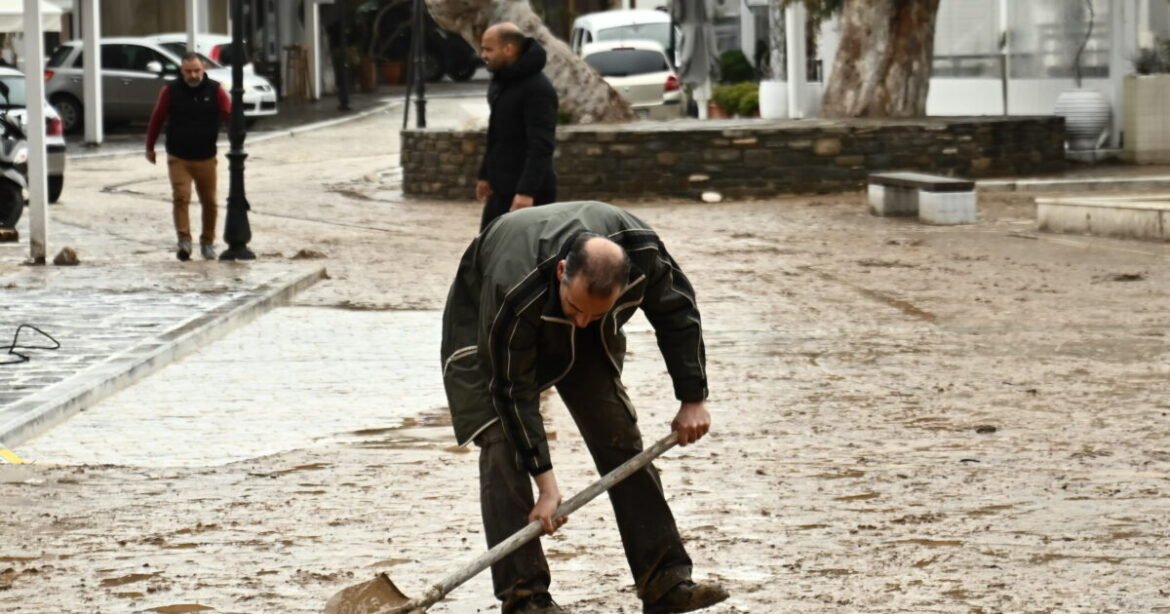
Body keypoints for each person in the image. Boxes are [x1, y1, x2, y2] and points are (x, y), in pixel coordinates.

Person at [441, 201, 729, 614]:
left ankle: (665, 581)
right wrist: (547, 486)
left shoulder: (642, 254)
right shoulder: (514, 290)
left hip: (579, 331)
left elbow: (678, 312)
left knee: (619, 436)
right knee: (502, 446)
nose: (581, 322)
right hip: (487, 334)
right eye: (576, 308)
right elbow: (513, 392)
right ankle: (526, 600)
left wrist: (693, 398)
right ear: (562, 272)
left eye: (595, 312)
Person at [145, 52, 231, 261]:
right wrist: (150, 146)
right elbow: (157, 117)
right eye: (188, 71)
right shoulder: (170, 90)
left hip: (206, 156)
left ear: (203, 69)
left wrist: (236, 137)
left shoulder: (216, 90)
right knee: (181, 196)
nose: (193, 75)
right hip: (178, 156)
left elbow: (229, 115)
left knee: (209, 201)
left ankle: (208, 242)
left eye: (196, 70)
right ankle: (184, 240)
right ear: (181, 71)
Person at [475, 23, 558, 231]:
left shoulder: (538, 89)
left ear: (509, 49)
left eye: (488, 49)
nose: (483, 55)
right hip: (500, 188)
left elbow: (541, 145)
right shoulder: (501, 82)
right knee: (488, 249)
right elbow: (496, 134)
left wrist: (526, 192)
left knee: (524, 256)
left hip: (529, 194)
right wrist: (485, 175)